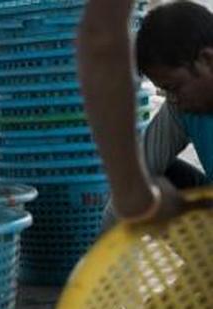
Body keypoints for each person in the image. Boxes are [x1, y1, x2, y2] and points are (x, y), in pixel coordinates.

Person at [79, 0, 213, 228]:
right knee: (156, 175)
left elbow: (100, 35)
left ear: (207, 60)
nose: (174, 101)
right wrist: (103, 251)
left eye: (175, 88)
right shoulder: (180, 108)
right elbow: (143, 167)